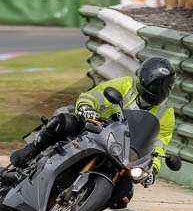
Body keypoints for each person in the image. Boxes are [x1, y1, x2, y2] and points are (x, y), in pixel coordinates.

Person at [10, 57, 177, 202]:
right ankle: (32, 150)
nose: (157, 90)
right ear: (143, 78)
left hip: (124, 150)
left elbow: (159, 144)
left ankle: (83, 205)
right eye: (155, 84)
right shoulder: (124, 85)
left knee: (125, 194)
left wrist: (152, 169)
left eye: (163, 86)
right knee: (65, 121)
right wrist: (87, 110)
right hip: (95, 127)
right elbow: (92, 96)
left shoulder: (166, 112)